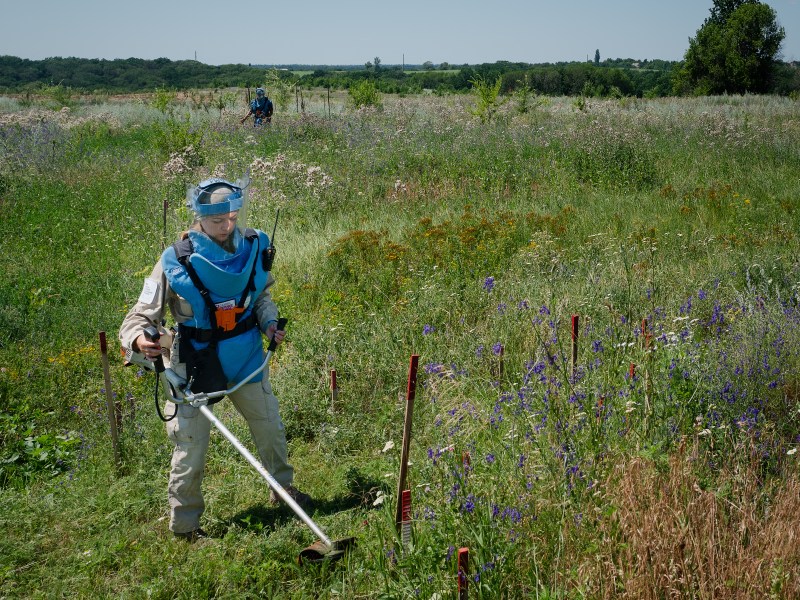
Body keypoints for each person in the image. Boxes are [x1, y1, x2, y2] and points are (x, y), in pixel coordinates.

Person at [119, 176, 310, 542]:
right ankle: (186, 526)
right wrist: (140, 340)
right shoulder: (176, 259)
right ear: (199, 218)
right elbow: (139, 317)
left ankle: (284, 492)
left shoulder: (252, 247)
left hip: (246, 357)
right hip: (194, 363)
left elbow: (260, 296)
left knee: (270, 427)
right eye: (218, 220)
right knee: (191, 447)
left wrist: (269, 323)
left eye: (233, 218)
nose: (226, 227)